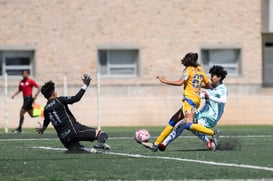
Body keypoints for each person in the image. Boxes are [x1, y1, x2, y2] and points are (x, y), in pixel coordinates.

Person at [141, 53, 218, 151]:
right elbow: (208, 86)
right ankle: (155, 144)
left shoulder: (188, 69)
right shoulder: (200, 70)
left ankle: (213, 133)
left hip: (189, 100)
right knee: (173, 121)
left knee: (189, 124)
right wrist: (196, 86)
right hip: (196, 100)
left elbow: (179, 83)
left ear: (188, 60)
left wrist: (164, 81)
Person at [158, 65, 228, 151]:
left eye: (213, 75)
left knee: (189, 125)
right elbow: (202, 94)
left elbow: (223, 100)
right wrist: (194, 96)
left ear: (219, 77)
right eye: (211, 75)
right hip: (203, 113)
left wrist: (209, 97)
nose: (211, 77)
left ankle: (210, 138)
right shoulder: (211, 87)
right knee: (184, 123)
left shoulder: (222, 89)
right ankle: (164, 144)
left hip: (211, 117)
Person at [36, 74, 110, 153]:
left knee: (78, 149)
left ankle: (84, 150)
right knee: (102, 134)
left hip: (64, 139)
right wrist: (85, 85)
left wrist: (42, 129)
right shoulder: (59, 100)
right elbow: (76, 98)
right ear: (53, 93)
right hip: (74, 130)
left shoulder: (46, 109)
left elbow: (46, 121)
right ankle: (100, 144)